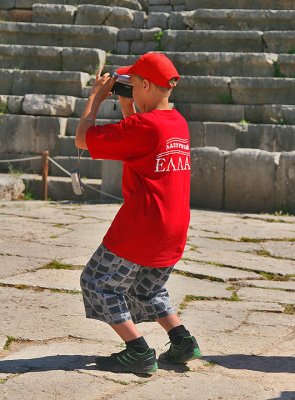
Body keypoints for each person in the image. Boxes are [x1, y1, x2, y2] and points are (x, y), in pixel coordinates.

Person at [75, 52, 201, 375]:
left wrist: (96, 98)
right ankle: (182, 339)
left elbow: (83, 138)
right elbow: (139, 142)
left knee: (96, 282)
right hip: (174, 228)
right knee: (146, 288)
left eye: (134, 84)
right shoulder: (178, 124)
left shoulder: (144, 127)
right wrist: (128, 106)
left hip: (142, 227)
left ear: (145, 84)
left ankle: (138, 350)